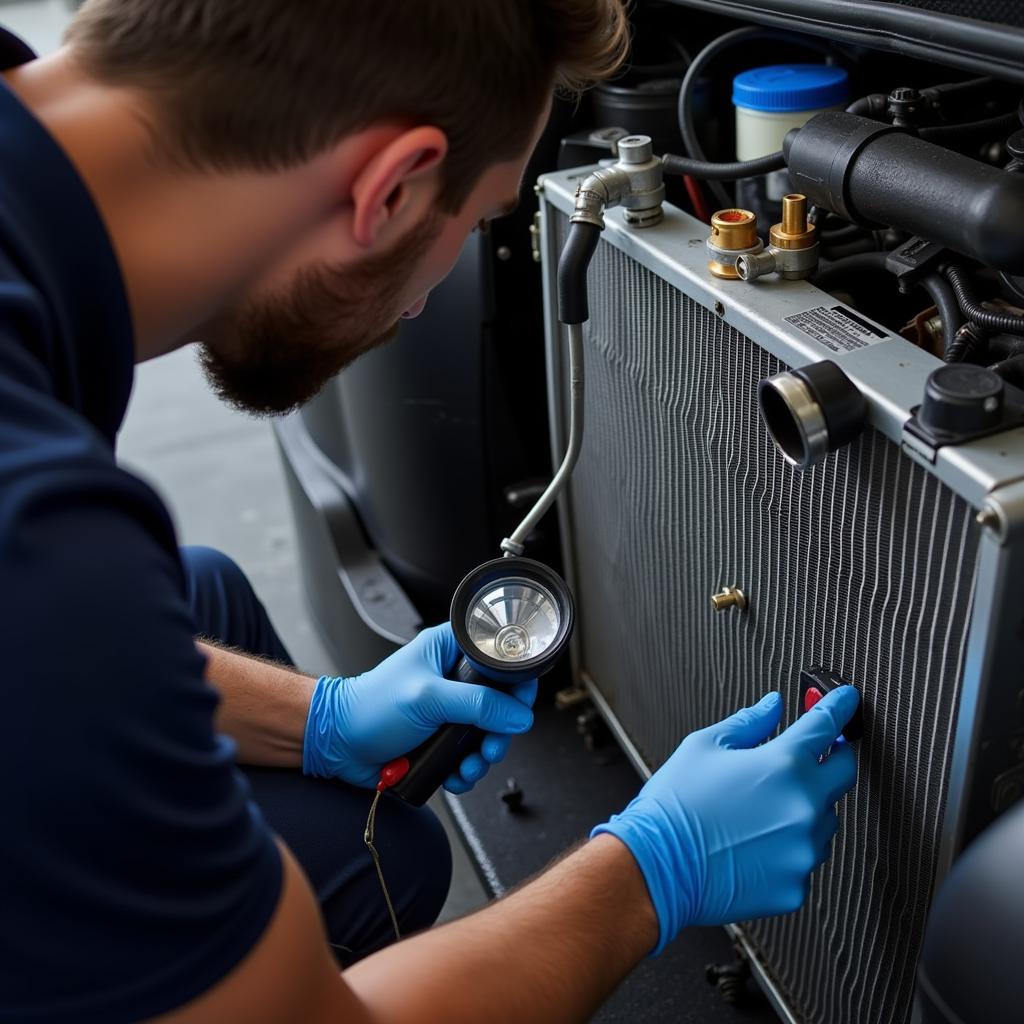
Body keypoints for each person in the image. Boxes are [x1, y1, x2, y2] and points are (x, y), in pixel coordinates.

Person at [0, 3, 859, 1022]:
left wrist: (324, 722)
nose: (422, 297)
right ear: (394, 187)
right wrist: (651, 871)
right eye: (474, 221)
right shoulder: (45, 544)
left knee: (205, 597)